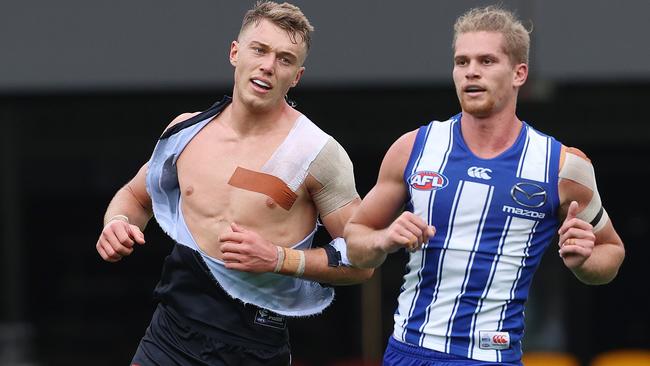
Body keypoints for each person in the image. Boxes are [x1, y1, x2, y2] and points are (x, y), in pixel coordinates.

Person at [344, 5, 624, 366]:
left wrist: (585, 262)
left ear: (519, 73)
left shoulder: (563, 166)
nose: (471, 72)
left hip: (491, 356)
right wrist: (383, 239)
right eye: (462, 62)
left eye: (487, 61)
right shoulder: (413, 148)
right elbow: (356, 238)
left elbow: (611, 253)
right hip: (409, 352)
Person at [95, 2, 372, 365]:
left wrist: (279, 258)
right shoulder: (187, 132)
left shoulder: (317, 153)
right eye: (259, 49)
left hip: (254, 347)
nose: (268, 66)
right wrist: (117, 223)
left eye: (285, 59)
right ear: (235, 52)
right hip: (170, 336)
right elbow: (135, 197)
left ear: (297, 76)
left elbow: (363, 261)